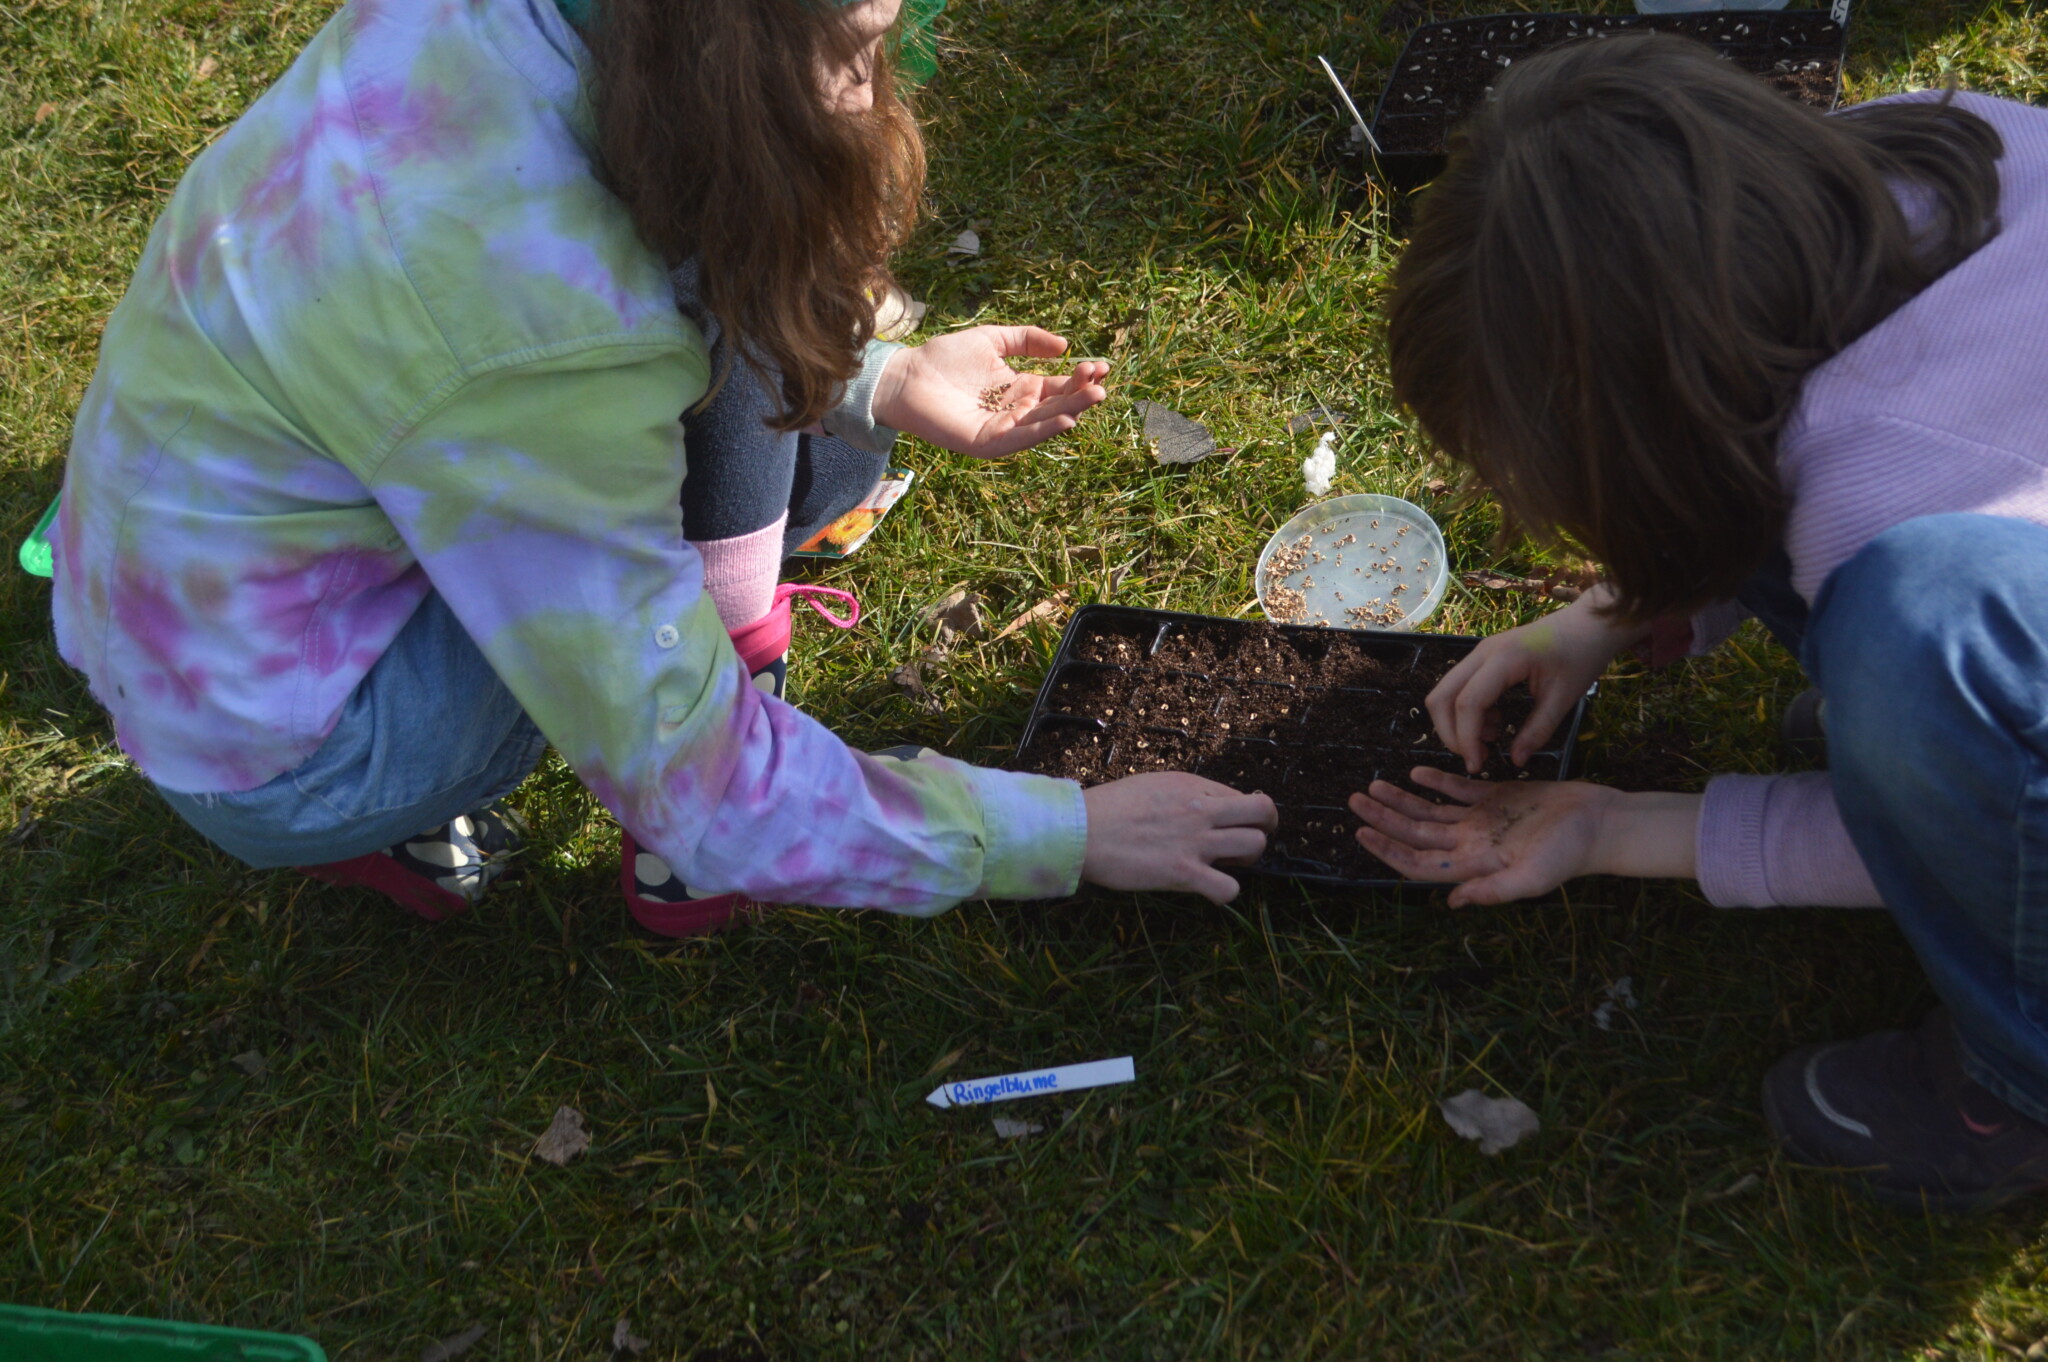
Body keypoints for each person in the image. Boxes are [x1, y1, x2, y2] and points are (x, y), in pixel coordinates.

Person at [48, 0, 1277, 939]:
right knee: (749, 344)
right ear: (728, 57)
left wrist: (877, 380)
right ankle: (392, 808)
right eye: (858, 47)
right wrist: (1064, 828)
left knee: (813, 427)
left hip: (195, 598)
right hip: (294, 754)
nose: (873, 93)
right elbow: (706, 789)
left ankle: (741, 581)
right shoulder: (551, 318)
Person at [1354, 33, 2048, 1211]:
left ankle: (2012, 1091)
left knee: (1911, 644)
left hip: (1958, 604)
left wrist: (1616, 829)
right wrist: (1604, 618)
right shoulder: (1918, 152)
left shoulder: (1893, 536)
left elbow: (1985, 845)